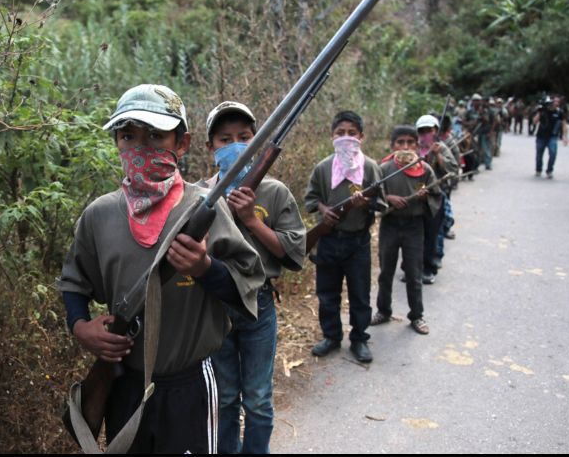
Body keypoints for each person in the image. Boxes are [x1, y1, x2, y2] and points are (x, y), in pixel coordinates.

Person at [57, 84, 265, 454]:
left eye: (155, 135)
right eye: (128, 136)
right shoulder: (99, 215)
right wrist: (81, 326)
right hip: (123, 383)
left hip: (190, 385)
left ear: (181, 144)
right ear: (116, 142)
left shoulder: (205, 206)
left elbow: (246, 285)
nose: (141, 147)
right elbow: (74, 282)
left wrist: (205, 267)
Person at [201, 101, 306, 454]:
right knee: (225, 397)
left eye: (245, 137)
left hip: (259, 306)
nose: (235, 144)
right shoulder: (198, 194)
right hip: (214, 308)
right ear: (209, 147)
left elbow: (293, 254)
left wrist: (251, 219)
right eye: (225, 138)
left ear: (258, 141)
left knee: (258, 399)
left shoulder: (274, 192)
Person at [304, 111, 384, 362]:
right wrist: (324, 210)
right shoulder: (323, 168)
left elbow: (381, 203)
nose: (346, 138)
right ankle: (332, 336)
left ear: (361, 137)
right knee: (327, 293)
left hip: (358, 241)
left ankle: (359, 338)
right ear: (332, 136)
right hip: (328, 240)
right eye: (340, 133)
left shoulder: (370, 168)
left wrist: (365, 204)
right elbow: (312, 198)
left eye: (352, 133)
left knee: (360, 293)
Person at [371, 125, 441, 336]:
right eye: (400, 142)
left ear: (417, 145)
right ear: (392, 145)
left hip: (414, 227)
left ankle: (416, 315)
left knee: (414, 272)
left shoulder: (424, 169)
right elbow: (374, 195)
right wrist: (388, 199)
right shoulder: (383, 169)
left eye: (410, 142)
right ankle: (383, 310)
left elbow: (436, 195)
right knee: (386, 271)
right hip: (390, 225)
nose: (405, 146)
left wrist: (424, 196)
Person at [416, 114, 458, 284]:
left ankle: (429, 267)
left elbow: (453, 168)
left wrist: (438, 156)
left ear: (435, 131)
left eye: (429, 130)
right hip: (415, 199)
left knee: (433, 235)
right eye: (423, 131)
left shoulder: (441, 148)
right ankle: (412, 268)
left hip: (435, 199)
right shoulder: (414, 148)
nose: (426, 134)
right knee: (415, 236)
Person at [534, 96, 563, 179]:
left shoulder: (559, 112)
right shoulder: (543, 110)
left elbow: (563, 123)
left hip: (552, 136)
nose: (556, 103)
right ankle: (538, 169)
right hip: (541, 135)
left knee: (553, 153)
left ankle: (549, 170)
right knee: (539, 154)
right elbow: (535, 121)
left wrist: (564, 136)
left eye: (558, 102)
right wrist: (540, 112)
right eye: (554, 101)